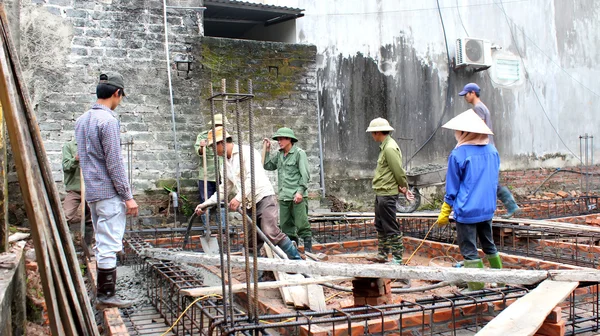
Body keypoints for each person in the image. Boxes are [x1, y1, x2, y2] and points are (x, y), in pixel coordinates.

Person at [75, 72, 138, 309]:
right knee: (110, 244)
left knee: (102, 242)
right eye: (121, 97)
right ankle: (107, 295)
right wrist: (128, 196)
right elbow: (114, 163)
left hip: (92, 192)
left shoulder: (82, 120)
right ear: (116, 93)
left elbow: (83, 157)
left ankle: (104, 292)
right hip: (109, 193)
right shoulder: (108, 121)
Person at [195, 126, 302, 260]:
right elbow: (224, 189)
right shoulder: (225, 164)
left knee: (270, 231)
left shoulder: (247, 153)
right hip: (249, 204)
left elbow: (253, 178)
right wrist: (205, 204)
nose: (212, 150)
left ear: (221, 143)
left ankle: (297, 260)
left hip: (264, 198)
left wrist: (238, 198)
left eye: (213, 146)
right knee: (251, 241)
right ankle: (257, 273)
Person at [436, 109, 503, 291]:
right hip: (487, 208)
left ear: (465, 132)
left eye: (458, 131)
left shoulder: (458, 154)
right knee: (489, 243)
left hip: (467, 209)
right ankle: (501, 279)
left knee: (469, 249)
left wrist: (446, 210)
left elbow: (453, 187)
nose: (456, 134)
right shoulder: (492, 151)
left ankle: (476, 286)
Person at [459, 83, 520, 219]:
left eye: (466, 94)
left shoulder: (478, 108)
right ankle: (508, 206)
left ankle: (510, 206)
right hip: (488, 149)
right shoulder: (482, 107)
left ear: (473, 93)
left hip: (484, 149)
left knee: (489, 182)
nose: (465, 98)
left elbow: (478, 129)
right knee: (489, 181)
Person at [365, 118, 414, 264]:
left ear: (378, 132)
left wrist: (403, 186)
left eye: (373, 133)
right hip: (381, 192)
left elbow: (398, 171)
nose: (372, 136)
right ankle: (382, 254)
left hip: (387, 194)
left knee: (390, 226)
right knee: (380, 224)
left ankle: (398, 258)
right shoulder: (385, 146)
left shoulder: (390, 148)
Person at [263, 127, 312, 252]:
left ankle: (308, 251)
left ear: (289, 139)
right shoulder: (279, 155)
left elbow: (305, 175)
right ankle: (293, 252)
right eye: (278, 139)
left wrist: (300, 192)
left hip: (297, 196)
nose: (279, 142)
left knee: (302, 224)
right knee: (286, 226)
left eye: (282, 139)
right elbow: (267, 165)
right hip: (284, 196)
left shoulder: (299, 153)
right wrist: (267, 150)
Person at [194, 114, 227, 228]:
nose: (218, 127)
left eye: (220, 125)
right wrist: (202, 147)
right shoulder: (203, 136)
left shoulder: (225, 137)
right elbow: (198, 152)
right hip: (206, 176)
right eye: (216, 125)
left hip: (222, 174)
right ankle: (206, 229)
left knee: (221, 203)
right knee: (206, 202)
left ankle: (222, 229)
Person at [61, 139, 93, 245]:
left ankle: (87, 245)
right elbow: (65, 167)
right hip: (74, 190)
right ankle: (67, 243)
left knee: (91, 218)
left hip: (90, 190)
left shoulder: (93, 145)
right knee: (65, 216)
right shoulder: (69, 146)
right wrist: (76, 159)